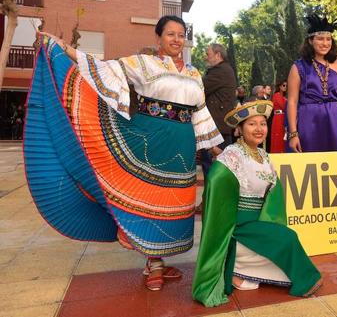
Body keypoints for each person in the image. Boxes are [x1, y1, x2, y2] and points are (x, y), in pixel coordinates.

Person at [25, 16, 224, 291]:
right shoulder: (142, 63)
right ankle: (153, 263)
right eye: (170, 34)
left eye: (181, 35)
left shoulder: (194, 73)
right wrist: (64, 49)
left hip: (182, 143)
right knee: (147, 197)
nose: (177, 40)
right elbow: (103, 68)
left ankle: (159, 257)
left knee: (172, 201)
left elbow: (200, 113)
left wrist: (215, 147)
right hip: (148, 138)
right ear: (159, 38)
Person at [192, 100, 322, 307]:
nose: (259, 129)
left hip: (257, 222)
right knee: (287, 239)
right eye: (252, 124)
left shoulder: (264, 155)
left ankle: (242, 272)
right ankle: (233, 266)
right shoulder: (232, 155)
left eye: (263, 123)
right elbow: (216, 181)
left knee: (283, 237)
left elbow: (273, 192)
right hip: (237, 227)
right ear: (239, 130)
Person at [287, 14, 337, 152]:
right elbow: (292, 102)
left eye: (328, 39)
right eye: (320, 39)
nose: (325, 43)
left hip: (335, 121)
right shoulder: (298, 67)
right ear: (310, 41)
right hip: (308, 121)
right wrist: (293, 134)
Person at [200, 43, 238, 176]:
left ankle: (213, 196)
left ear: (218, 55)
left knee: (213, 167)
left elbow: (200, 88)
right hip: (220, 126)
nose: (206, 57)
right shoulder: (224, 69)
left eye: (208, 54)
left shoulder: (220, 71)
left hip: (216, 128)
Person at [270, 80, 287, 153]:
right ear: (280, 86)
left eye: (286, 86)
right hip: (278, 118)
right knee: (278, 136)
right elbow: (283, 106)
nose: (285, 87)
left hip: (283, 117)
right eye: (284, 85)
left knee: (282, 135)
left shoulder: (284, 96)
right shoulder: (276, 95)